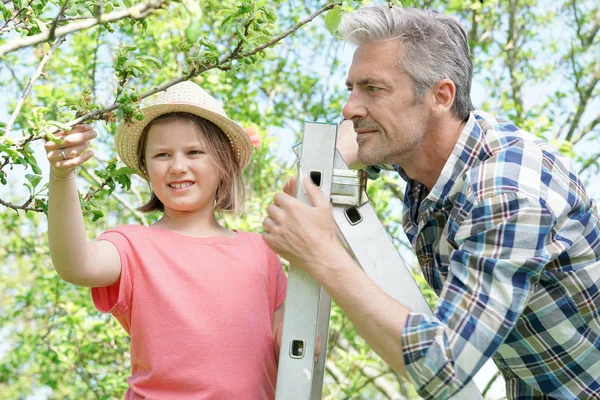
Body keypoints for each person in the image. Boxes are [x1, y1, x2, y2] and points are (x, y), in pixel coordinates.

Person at [263, 5, 600, 400]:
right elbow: (350, 142)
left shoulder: (507, 191)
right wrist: (325, 162)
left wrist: (320, 254)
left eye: (373, 89)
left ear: (440, 96)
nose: (349, 108)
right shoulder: (427, 157)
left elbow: (444, 366)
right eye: (351, 89)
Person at [44, 81, 288, 399]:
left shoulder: (261, 251)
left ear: (223, 162)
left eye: (194, 152)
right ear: (146, 168)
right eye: (162, 155)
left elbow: (288, 346)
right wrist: (62, 176)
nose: (177, 166)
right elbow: (77, 265)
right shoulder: (132, 246)